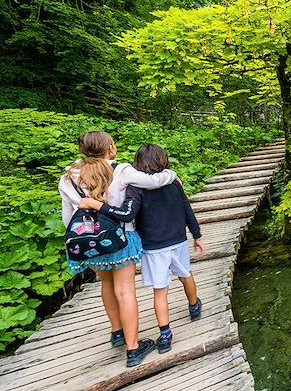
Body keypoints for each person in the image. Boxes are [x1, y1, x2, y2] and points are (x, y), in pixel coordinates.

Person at [59, 131, 177, 367]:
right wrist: (171, 174)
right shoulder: (121, 170)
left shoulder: (67, 177)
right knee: (125, 291)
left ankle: (117, 332)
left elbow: (67, 218)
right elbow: (153, 181)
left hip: (89, 242)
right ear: (110, 148)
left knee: (106, 283)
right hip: (121, 238)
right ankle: (133, 348)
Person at [80, 144, 205, 355]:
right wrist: (197, 235)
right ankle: (194, 306)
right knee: (186, 275)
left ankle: (165, 335)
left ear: (137, 164)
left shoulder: (135, 189)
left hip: (153, 246)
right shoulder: (174, 183)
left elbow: (127, 214)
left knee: (160, 291)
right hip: (178, 241)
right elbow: (187, 209)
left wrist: (98, 205)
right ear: (164, 160)